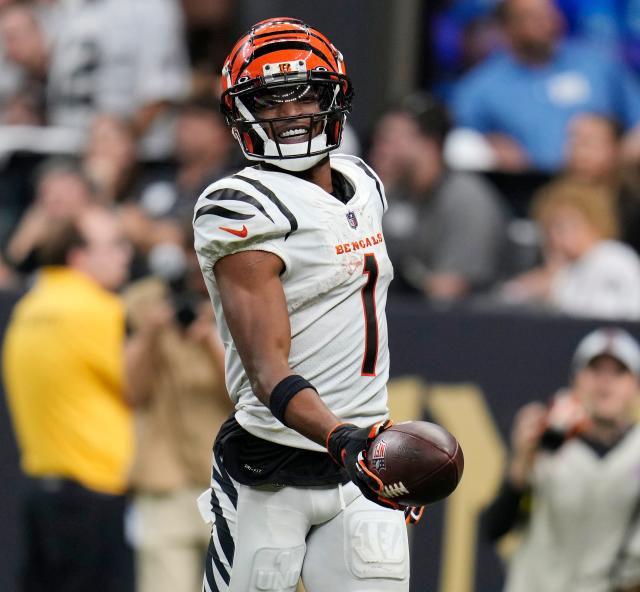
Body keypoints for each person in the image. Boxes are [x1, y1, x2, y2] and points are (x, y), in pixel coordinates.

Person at [192, 17, 424, 592]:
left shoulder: (362, 181)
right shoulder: (238, 204)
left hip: (363, 463)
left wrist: (365, 444)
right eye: (270, 101)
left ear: (334, 97)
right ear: (242, 113)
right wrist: (344, 439)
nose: (292, 112)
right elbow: (269, 369)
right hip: (272, 466)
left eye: (306, 95)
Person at [2, 205, 134, 592]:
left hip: (40, 493)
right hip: (97, 494)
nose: (124, 254)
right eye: (113, 245)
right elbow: (137, 388)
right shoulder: (100, 310)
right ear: (78, 257)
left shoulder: (28, 308)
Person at [482, 327, 640, 592]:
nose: (605, 382)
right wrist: (521, 461)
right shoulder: (545, 439)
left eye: (618, 372)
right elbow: (494, 528)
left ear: (635, 386)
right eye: (595, 370)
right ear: (575, 379)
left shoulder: (635, 450)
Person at [124, 276, 232, 592]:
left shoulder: (231, 308)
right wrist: (150, 333)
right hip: (165, 483)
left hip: (223, 483)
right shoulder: (144, 309)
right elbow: (132, 392)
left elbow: (244, 396)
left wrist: (209, 339)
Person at [451, 0, 640, 172]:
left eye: (548, 13)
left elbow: (636, 117)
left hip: (604, 185)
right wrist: (485, 147)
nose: (545, 22)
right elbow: (456, 142)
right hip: (523, 190)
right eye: (531, 17)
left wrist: (624, 152)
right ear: (507, 27)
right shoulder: (480, 87)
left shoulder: (598, 65)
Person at [378, 94, 507, 301]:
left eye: (393, 139)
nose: (383, 149)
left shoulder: (465, 197)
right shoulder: (394, 193)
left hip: (471, 321)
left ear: (430, 144)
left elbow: (448, 290)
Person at [500, 179, 640, 319]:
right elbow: (509, 296)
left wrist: (555, 289)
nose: (554, 237)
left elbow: (610, 314)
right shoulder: (569, 268)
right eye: (548, 229)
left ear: (592, 221)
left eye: (562, 227)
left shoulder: (613, 257)